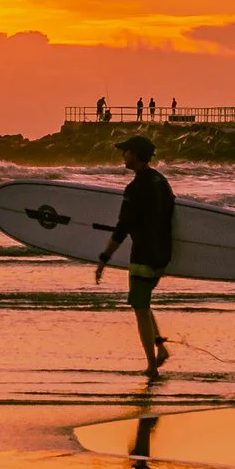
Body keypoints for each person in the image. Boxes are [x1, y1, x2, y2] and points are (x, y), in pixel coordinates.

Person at [95, 134, 175, 375]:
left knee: (140, 308)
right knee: (144, 302)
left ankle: (152, 366)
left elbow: (123, 227)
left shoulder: (135, 187)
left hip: (144, 255)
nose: (123, 155)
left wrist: (104, 259)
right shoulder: (161, 181)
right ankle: (160, 349)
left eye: (126, 151)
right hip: (163, 253)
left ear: (136, 155)